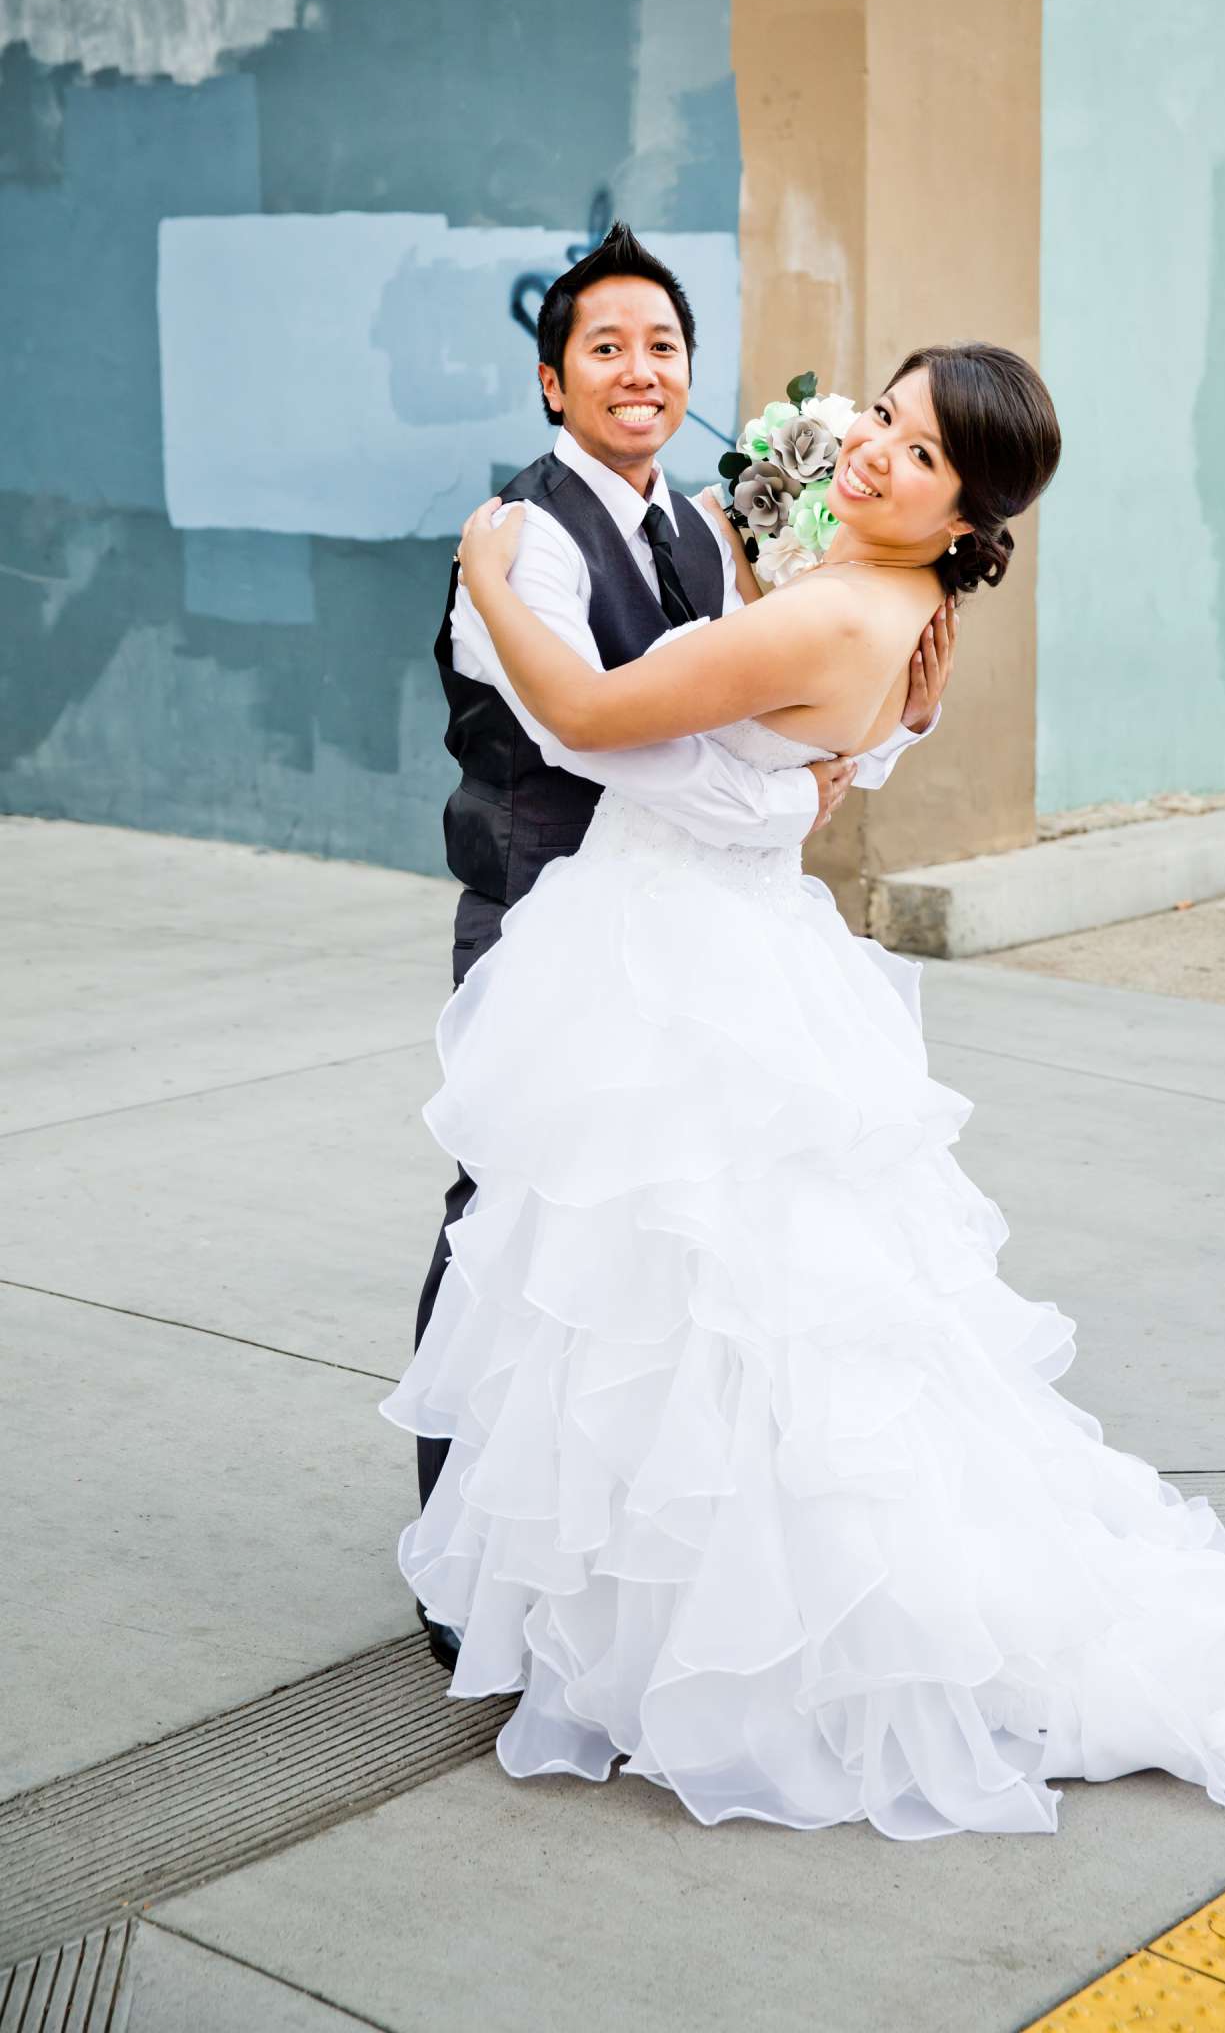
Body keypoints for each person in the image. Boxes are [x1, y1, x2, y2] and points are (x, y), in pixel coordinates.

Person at [383, 339, 1225, 1840]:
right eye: (885, 418)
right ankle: (661, 1590)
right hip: (728, 944)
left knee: (688, 1293)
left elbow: (591, 720)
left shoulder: (852, 610)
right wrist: (792, 773)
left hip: (687, 966)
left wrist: (485, 575)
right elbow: (775, 751)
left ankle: (735, 1627)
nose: (874, 454)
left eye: (920, 458)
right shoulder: (905, 610)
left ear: (966, 511)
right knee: (716, 1300)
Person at [412, 223, 953, 1667]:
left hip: (678, 928)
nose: (639, 372)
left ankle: (633, 1552)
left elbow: (781, 704)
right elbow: (602, 746)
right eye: (605, 348)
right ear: (551, 382)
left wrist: (842, 747)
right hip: (546, 910)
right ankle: (462, 1561)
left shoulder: (707, 531)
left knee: (673, 1241)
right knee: (516, 1224)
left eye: (663, 348)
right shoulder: (520, 541)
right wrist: (796, 797)